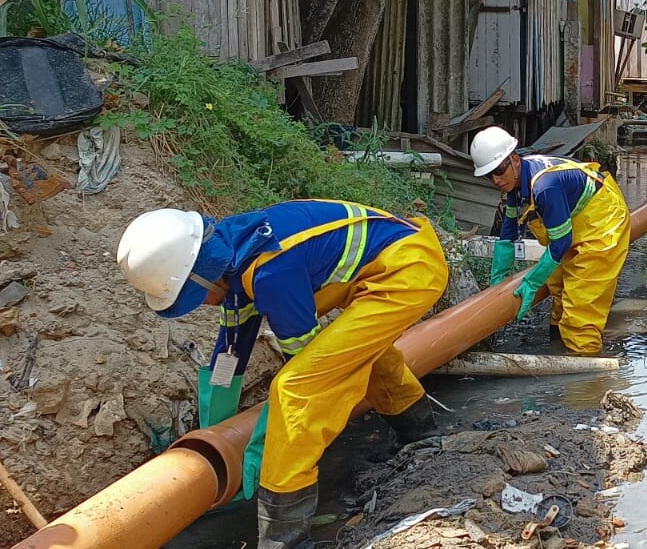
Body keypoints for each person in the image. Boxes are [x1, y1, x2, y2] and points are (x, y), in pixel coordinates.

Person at [115, 199, 447, 549]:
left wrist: (259, 445)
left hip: (408, 268)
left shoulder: (271, 270)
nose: (202, 304)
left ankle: (284, 536)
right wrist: (216, 432)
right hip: (384, 262)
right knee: (363, 355)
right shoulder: (237, 253)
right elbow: (230, 352)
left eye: (195, 297)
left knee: (297, 389)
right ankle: (420, 435)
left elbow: (306, 374)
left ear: (202, 273)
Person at [472, 126, 630, 355]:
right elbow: (509, 228)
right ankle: (557, 344)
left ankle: (586, 372)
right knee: (557, 284)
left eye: (499, 170)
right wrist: (498, 277)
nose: (496, 179)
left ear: (514, 159)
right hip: (579, 216)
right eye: (489, 175)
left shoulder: (545, 187)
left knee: (580, 304)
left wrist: (532, 282)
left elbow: (561, 243)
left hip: (604, 222)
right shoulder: (517, 181)